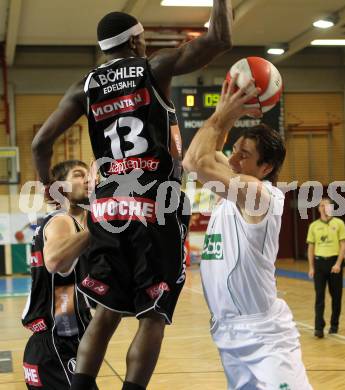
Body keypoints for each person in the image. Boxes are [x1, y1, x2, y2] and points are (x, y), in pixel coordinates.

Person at [31, 2, 233, 389]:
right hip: (154, 205)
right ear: (137, 40)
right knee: (153, 314)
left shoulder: (83, 87)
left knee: (106, 313)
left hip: (107, 209)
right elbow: (219, 39)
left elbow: (41, 143)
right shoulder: (153, 68)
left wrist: (50, 189)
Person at [183, 76, 312, 389]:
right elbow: (199, 157)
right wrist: (227, 118)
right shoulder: (228, 194)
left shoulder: (259, 195)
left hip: (264, 336)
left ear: (265, 168)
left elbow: (195, 163)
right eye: (234, 149)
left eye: (244, 155)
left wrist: (223, 113)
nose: (233, 158)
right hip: (228, 333)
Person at [22, 160, 97, 389]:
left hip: (50, 346)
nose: (86, 179)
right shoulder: (62, 219)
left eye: (88, 175)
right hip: (58, 345)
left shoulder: (75, 226)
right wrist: (102, 222)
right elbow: (54, 260)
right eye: (77, 174)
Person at [307, 197, 345, 338]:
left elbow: (343, 245)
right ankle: (319, 328)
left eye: (325, 205)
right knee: (319, 297)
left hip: (334, 264)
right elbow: (311, 247)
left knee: (336, 296)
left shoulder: (339, 223)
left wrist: (338, 263)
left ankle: (334, 325)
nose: (323, 207)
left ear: (331, 207)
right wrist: (311, 267)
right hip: (319, 264)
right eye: (320, 206)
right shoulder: (313, 226)